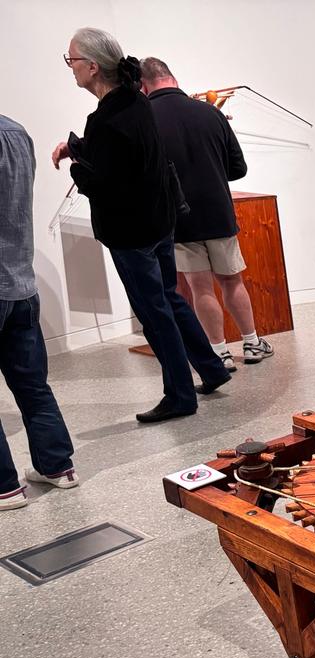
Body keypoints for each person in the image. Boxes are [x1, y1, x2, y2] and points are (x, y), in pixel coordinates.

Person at [53, 28, 229, 423]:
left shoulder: (105, 118)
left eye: (72, 60)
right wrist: (78, 146)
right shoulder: (136, 100)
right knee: (169, 299)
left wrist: (77, 165)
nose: (70, 68)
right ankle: (212, 368)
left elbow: (103, 180)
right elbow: (123, 157)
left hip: (131, 232)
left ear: (92, 66)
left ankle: (180, 395)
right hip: (159, 222)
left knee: (155, 312)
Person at [140, 57, 273, 372]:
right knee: (232, 281)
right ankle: (252, 342)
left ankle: (219, 352)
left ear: (143, 85)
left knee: (199, 287)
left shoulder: (146, 119)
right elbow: (238, 168)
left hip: (180, 218)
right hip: (218, 213)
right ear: (172, 77)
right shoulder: (211, 113)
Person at [0, 115, 78, 510]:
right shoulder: (15, 131)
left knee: (33, 385)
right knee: (33, 385)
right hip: (20, 282)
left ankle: (5, 487)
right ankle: (58, 466)